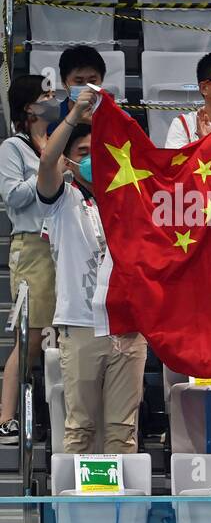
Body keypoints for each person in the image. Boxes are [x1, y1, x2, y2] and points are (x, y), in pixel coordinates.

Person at [36, 87, 148, 454]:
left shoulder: (134, 200)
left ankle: (123, 512)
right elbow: (45, 162)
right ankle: (73, 512)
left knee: (123, 430)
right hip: (81, 325)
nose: (91, 159)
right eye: (83, 153)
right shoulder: (63, 199)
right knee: (80, 426)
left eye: (97, 153)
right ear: (68, 162)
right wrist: (73, 116)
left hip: (128, 326)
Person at [0, 75, 60, 442]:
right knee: (31, 336)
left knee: (62, 334)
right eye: (47, 95)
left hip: (64, 245)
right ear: (30, 106)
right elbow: (13, 197)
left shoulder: (56, 141)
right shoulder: (14, 147)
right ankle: (6, 416)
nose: (54, 99)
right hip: (32, 247)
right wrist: (45, 169)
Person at [46, 45, 105, 134]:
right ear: (64, 83)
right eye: (79, 81)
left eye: (92, 81)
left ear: (102, 80)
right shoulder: (50, 119)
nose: (87, 87)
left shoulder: (118, 117)